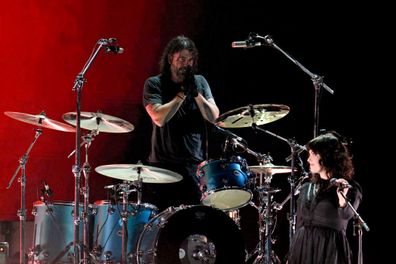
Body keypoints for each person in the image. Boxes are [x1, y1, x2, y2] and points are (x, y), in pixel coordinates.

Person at [142, 35, 220, 212]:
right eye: (182, 59)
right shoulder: (155, 84)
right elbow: (159, 118)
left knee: (192, 222)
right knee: (162, 223)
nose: (187, 64)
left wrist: (196, 94)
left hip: (192, 166)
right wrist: (182, 94)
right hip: (162, 168)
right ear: (171, 59)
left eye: (190, 60)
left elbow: (214, 116)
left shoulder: (200, 82)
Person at [288, 131, 362, 264]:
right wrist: (291, 255)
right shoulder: (307, 186)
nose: (308, 159)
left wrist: (342, 195)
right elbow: (300, 222)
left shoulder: (349, 187)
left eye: (313, 154)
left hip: (330, 250)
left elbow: (346, 215)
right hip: (302, 247)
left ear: (327, 156)